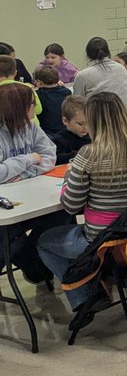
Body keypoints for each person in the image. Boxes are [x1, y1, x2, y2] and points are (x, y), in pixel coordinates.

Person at [37, 92, 127, 322]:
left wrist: (69, 180)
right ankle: (105, 278)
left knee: (45, 241)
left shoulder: (89, 155)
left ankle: (86, 295)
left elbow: (71, 205)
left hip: (105, 243)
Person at [0, 82, 66, 285]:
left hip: (30, 192)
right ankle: (29, 260)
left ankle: (33, 256)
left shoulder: (31, 127)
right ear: (18, 107)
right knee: (8, 235)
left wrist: (24, 174)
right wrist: (29, 158)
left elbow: (49, 156)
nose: (35, 108)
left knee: (64, 212)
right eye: (31, 104)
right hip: (7, 204)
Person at [72, 37, 127, 114]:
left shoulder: (83, 75)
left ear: (87, 54)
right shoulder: (122, 68)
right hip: (125, 117)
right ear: (108, 52)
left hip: (100, 119)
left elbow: (77, 104)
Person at [53, 96, 91, 164]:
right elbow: (56, 159)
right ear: (65, 121)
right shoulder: (59, 140)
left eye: (89, 123)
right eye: (80, 124)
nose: (86, 127)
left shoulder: (93, 136)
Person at [33, 65, 70, 134]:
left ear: (39, 81)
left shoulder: (38, 95)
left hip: (46, 131)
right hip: (64, 128)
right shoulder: (67, 92)